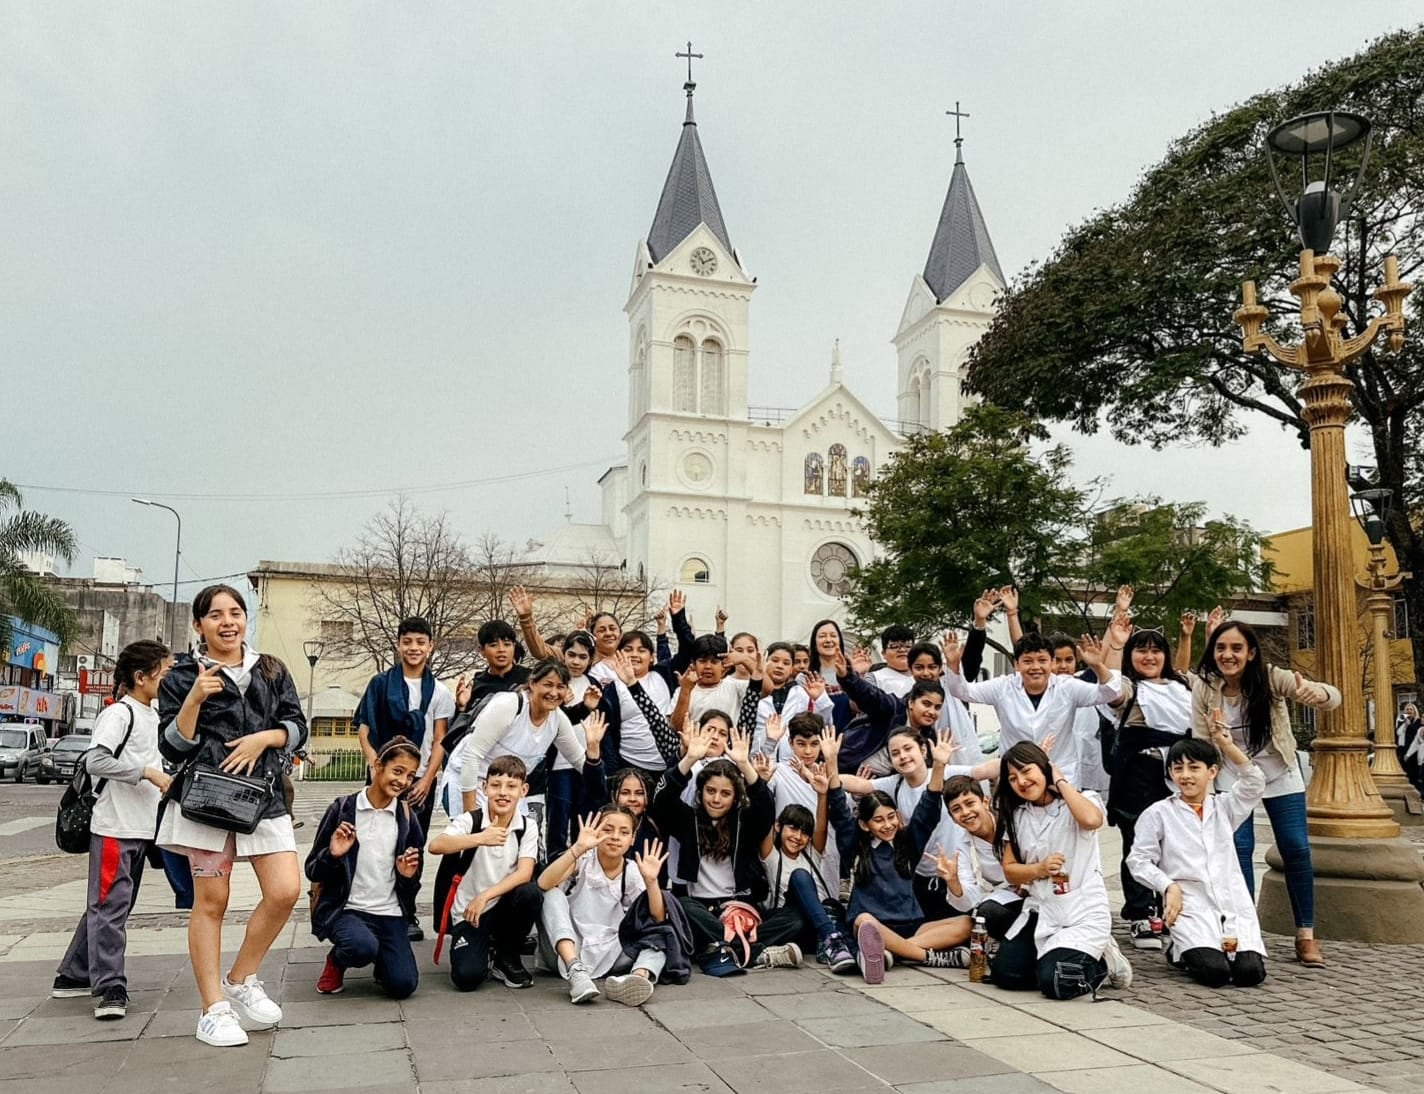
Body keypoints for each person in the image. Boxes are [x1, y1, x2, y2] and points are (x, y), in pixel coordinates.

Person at [156, 584, 307, 1048]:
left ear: (246, 619)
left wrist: (267, 738)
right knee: (212, 902)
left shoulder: (271, 669)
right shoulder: (182, 676)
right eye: (216, 614)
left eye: (236, 612)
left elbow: (298, 727)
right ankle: (213, 1009)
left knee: (285, 891)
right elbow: (171, 745)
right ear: (199, 624)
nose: (228, 621)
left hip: (265, 799)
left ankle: (241, 978)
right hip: (207, 802)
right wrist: (195, 699)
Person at [1192, 619, 1339, 968]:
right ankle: (1246, 932)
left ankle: (1305, 934)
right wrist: (1204, 791)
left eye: (1236, 648)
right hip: (1232, 772)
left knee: (1296, 847)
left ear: (1251, 652)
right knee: (1238, 848)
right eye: (1221, 648)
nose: (1228, 655)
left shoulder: (1271, 678)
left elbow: (1332, 697)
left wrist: (1317, 694)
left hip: (1278, 771)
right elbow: (1201, 741)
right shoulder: (1204, 687)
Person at [52, 640, 174, 1020]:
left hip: (139, 828)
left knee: (113, 906)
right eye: (165, 673)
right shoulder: (121, 714)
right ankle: (110, 988)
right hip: (113, 827)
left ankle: (73, 975)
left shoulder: (153, 714)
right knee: (109, 907)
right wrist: (145, 772)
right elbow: (95, 760)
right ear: (141, 677)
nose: (171, 680)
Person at [825, 727, 973, 984]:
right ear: (864, 824)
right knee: (863, 921)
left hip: (913, 927)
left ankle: (893, 951)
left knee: (967, 924)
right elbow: (838, 811)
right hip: (872, 926)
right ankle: (927, 957)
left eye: (891, 817)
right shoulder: (854, 846)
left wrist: (938, 766)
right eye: (878, 820)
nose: (887, 825)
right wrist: (830, 762)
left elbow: (928, 809)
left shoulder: (907, 843)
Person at [650, 722, 799, 974]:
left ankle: (725, 947)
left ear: (735, 796)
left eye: (725, 793)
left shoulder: (744, 820)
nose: (716, 799)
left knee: (794, 919)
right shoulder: (688, 819)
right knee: (681, 905)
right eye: (710, 791)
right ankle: (754, 951)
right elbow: (661, 801)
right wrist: (689, 759)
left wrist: (744, 765)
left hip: (738, 907)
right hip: (699, 908)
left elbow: (765, 807)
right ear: (701, 791)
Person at [1126, 728, 1268, 988]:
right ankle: (1179, 950)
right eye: (1178, 769)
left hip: (1231, 902)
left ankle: (1212, 951)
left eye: (1194, 768)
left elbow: (1254, 782)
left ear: (1211, 772)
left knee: (1250, 974)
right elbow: (1138, 860)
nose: (1186, 776)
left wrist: (1227, 746)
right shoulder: (1159, 813)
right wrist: (1168, 885)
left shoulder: (1225, 807)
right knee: (1215, 974)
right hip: (1190, 905)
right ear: (1170, 773)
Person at [990, 742, 1132, 1000]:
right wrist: (1039, 868)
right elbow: (1010, 871)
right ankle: (1058, 960)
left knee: (1056, 984)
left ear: (1045, 769)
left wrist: (1062, 782)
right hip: (1041, 909)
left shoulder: (1078, 800)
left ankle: (1103, 963)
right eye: (1012, 778)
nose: (1021, 781)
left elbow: (1092, 821)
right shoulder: (1017, 814)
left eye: (1026, 771)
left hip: (1081, 911)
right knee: (1005, 975)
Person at [352, 616, 454, 941]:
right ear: (398, 644)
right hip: (383, 778)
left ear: (430, 646)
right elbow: (364, 728)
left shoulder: (439, 691)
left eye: (420, 642)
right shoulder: (380, 684)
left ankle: (407, 912)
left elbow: (440, 739)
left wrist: (427, 779)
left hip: (419, 780)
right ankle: (373, 906)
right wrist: (375, 762)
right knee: (376, 842)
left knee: (413, 844)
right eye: (407, 641)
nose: (414, 648)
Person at [306, 738, 425, 999]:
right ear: (378, 766)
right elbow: (313, 870)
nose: (403, 781)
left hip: (390, 913)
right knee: (360, 947)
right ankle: (337, 961)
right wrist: (333, 854)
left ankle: (384, 960)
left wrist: (407, 877)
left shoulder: (406, 818)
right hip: (348, 910)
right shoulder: (343, 809)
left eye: (410, 776)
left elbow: (414, 880)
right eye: (398, 771)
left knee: (403, 985)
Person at [943, 629, 1123, 787]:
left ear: (1051, 662)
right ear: (1016, 664)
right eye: (1028, 661)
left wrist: (1098, 666)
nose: (1035, 667)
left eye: (1042, 660)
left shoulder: (1067, 686)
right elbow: (962, 691)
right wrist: (953, 665)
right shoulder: (1003, 687)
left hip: (1060, 775)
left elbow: (1110, 694)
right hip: (1016, 775)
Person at [536, 807, 674, 1006]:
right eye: (608, 829)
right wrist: (577, 849)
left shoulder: (632, 871)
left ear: (632, 838)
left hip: (613, 952)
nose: (615, 837)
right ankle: (577, 972)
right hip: (567, 951)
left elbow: (658, 918)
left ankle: (637, 978)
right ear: (596, 831)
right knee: (552, 894)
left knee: (661, 935)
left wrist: (652, 882)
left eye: (624, 832)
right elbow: (543, 883)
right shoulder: (583, 860)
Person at [430, 755, 542, 991]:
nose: (503, 793)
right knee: (467, 978)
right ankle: (483, 947)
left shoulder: (527, 826)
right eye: (496, 785)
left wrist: (485, 896)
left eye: (511, 787)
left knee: (530, 893)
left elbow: (524, 873)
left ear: (523, 791)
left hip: (500, 905)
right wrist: (481, 838)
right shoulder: (471, 820)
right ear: (485, 788)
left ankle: (506, 956)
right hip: (469, 913)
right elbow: (436, 845)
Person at [941, 775, 1021, 941]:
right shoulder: (962, 846)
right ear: (952, 818)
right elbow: (968, 903)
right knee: (984, 913)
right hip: (1002, 901)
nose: (965, 812)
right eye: (956, 809)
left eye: (970, 803)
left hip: (1033, 896)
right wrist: (953, 882)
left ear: (985, 802)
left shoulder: (1012, 824)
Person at [869, 625, 917, 698]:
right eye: (894, 646)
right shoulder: (874, 678)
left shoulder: (926, 675)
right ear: (884, 653)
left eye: (907, 646)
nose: (902, 650)